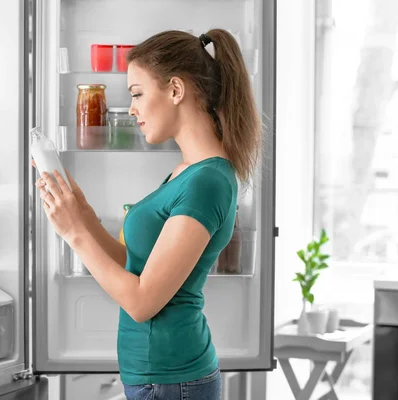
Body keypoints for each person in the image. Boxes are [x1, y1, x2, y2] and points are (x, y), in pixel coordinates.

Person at [34, 29, 261, 400]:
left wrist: (75, 234)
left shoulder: (207, 181)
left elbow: (142, 302)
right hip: (158, 378)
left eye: (137, 94)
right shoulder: (185, 172)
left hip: (173, 379)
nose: (132, 109)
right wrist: (82, 212)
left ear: (175, 90)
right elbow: (137, 266)